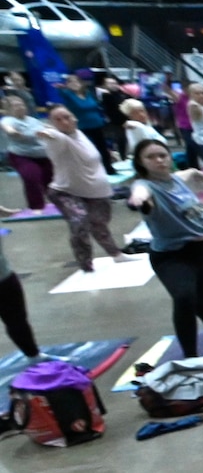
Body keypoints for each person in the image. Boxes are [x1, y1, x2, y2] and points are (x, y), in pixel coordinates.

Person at [127, 139, 203, 357]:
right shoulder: (145, 185)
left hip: (202, 251)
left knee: (201, 294)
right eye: (151, 157)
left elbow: (183, 175)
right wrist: (138, 201)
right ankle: (191, 356)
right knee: (184, 298)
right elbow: (140, 193)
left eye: (162, 155)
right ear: (140, 163)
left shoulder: (173, 179)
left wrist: (193, 171)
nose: (159, 160)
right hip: (173, 256)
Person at [39, 106, 122, 271]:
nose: (64, 122)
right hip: (64, 191)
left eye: (67, 117)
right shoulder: (57, 139)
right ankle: (86, 263)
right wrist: (47, 132)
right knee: (79, 221)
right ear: (52, 123)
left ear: (75, 118)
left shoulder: (80, 134)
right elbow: (50, 136)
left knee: (99, 224)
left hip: (95, 191)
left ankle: (116, 254)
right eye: (58, 119)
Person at [2, 94, 53, 210]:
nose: (20, 107)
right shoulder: (9, 120)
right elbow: (7, 128)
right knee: (31, 177)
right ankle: (36, 207)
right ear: (9, 109)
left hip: (42, 155)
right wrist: (13, 132)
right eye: (15, 106)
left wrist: (53, 130)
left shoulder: (33, 120)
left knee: (50, 180)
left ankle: (57, 202)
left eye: (21, 105)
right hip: (22, 155)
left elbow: (47, 128)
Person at [58, 71, 116, 171]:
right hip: (83, 127)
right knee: (88, 150)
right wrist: (63, 88)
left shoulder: (88, 93)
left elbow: (96, 106)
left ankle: (108, 167)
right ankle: (93, 169)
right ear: (67, 84)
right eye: (71, 82)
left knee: (102, 148)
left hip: (97, 125)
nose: (74, 84)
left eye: (76, 81)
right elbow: (60, 91)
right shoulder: (67, 95)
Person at [0, 229, 43, 361]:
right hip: (4, 277)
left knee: (17, 320)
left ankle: (33, 355)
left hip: (4, 277)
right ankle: (33, 355)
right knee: (16, 320)